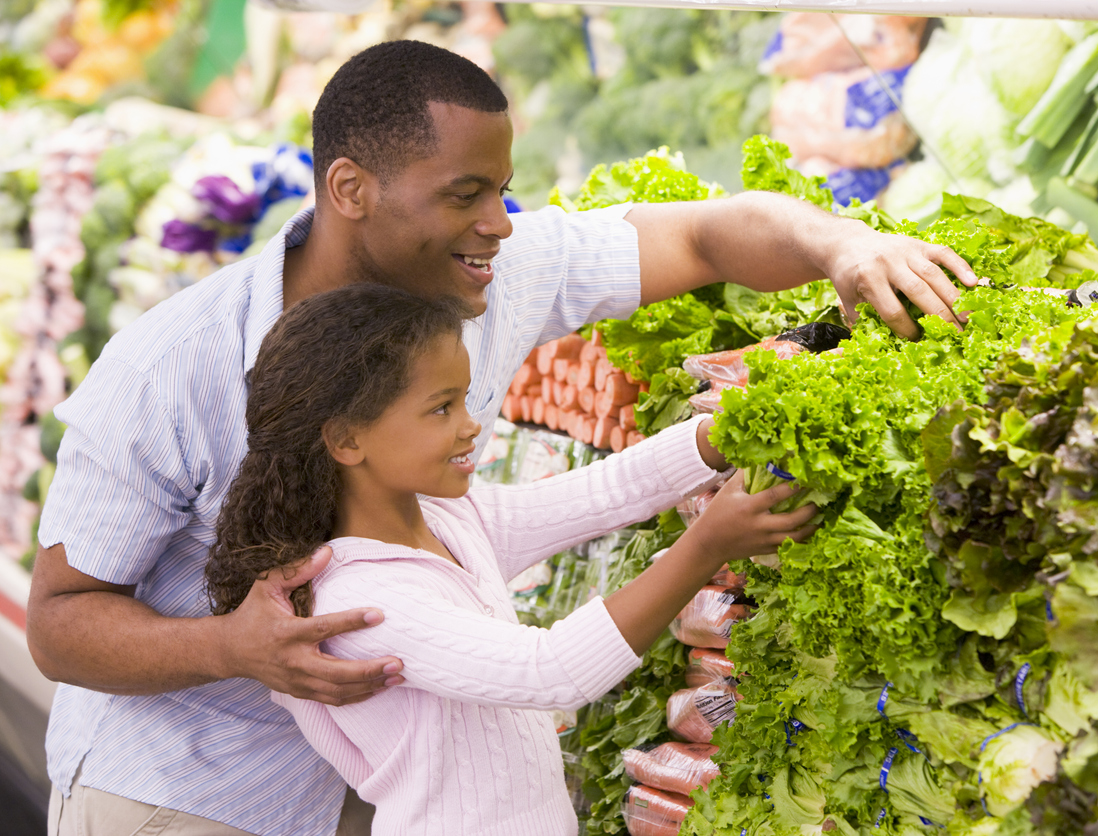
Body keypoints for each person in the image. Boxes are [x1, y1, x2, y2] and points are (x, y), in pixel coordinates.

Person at [26, 39, 978, 836]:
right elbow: (62, 623)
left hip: (387, 788)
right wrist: (235, 648)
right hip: (189, 798)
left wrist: (842, 247)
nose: (498, 224)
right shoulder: (169, 367)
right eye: (465, 193)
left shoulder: (485, 275)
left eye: (505, 191)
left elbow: (708, 235)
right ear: (351, 188)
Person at [202, 283, 813, 836]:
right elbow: (553, 670)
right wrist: (706, 545)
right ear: (346, 440)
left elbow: (606, 492)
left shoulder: (447, 521)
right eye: (441, 408)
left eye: (465, 400)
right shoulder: (359, 601)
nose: (471, 427)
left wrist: (723, 432)